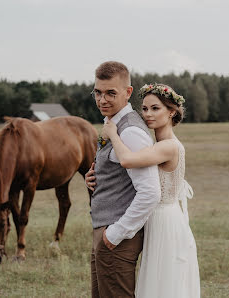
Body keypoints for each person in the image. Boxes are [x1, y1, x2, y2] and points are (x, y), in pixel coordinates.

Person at [86, 82, 200, 297]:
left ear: (171, 112)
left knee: (163, 283)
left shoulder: (168, 146)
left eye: (155, 108)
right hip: (158, 216)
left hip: (163, 219)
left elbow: (128, 160)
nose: (148, 114)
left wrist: (113, 134)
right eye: (145, 108)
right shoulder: (158, 143)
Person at [87, 61, 161, 298]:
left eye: (111, 93)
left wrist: (116, 234)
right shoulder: (113, 123)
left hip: (116, 238)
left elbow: (150, 192)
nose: (102, 100)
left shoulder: (130, 132)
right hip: (106, 232)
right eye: (98, 92)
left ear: (128, 92)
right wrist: (96, 176)